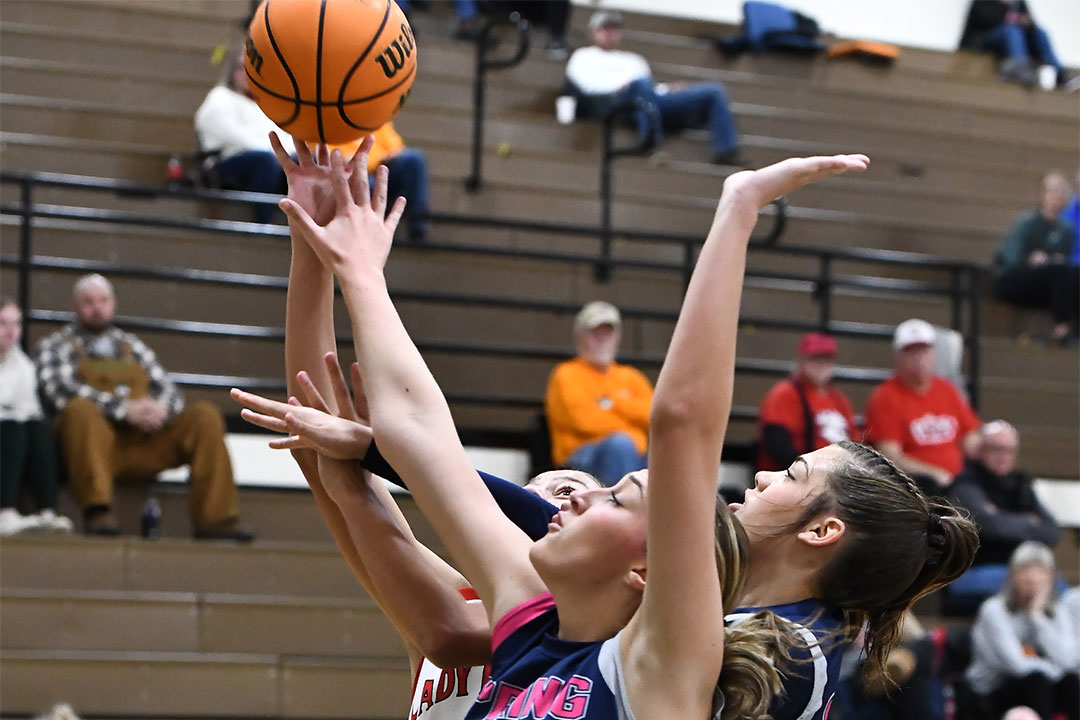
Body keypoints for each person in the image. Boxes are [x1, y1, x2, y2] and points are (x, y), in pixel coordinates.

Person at [279, 145, 979, 719]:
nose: (570, 500)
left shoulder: (773, 655)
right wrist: (352, 270)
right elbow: (423, 437)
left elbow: (681, 429)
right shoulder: (546, 621)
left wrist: (738, 207)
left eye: (611, 494)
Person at [233, 134, 607, 719]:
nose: (550, 503)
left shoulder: (599, 622)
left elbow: (448, 632)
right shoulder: (455, 586)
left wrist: (363, 454)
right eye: (537, 490)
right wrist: (310, 240)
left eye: (569, 491)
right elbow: (317, 437)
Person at [34, 274, 252, 540]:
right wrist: (124, 409)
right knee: (79, 410)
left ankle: (216, 519)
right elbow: (58, 391)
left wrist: (158, 410)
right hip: (96, 450)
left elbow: (170, 390)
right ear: (75, 306)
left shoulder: (132, 346)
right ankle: (98, 511)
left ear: (113, 303)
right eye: (88, 301)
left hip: (144, 442)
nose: (97, 307)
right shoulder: (55, 346)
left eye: (103, 300)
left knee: (205, 415)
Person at [565, 10, 743, 165]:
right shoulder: (583, 56)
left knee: (714, 91)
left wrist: (667, 89)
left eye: (614, 29)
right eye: (605, 28)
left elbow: (650, 89)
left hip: (645, 99)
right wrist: (621, 86)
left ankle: (726, 151)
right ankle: (652, 143)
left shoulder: (634, 59)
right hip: (613, 103)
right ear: (592, 32)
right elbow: (586, 86)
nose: (610, 33)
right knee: (639, 84)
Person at [946, 420, 1060, 612]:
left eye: (1009, 450)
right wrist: (1028, 521)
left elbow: (1051, 531)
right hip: (977, 569)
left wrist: (1002, 517)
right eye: (996, 449)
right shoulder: (966, 484)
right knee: (1029, 583)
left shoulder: (1021, 485)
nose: (1003, 456)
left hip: (1017, 568)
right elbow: (991, 526)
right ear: (980, 450)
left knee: (1057, 586)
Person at [863, 318, 981, 496]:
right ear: (898, 357)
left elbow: (971, 437)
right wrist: (935, 474)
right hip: (918, 486)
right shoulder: (885, 396)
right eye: (911, 352)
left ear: (933, 354)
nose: (919, 359)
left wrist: (992, 446)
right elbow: (891, 456)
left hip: (959, 480)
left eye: (924, 351)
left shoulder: (946, 389)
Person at [966, 541, 1079, 720]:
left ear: (1051, 577)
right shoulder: (994, 610)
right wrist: (1053, 670)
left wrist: (1037, 617)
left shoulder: (1057, 611)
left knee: (1070, 682)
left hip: (1042, 685)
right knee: (1037, 681)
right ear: (1012, 574)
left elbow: (1068, 660)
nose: (1033, 578)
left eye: (1040, 571)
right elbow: (1017, 665)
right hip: (993, 690)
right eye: (1026, 570)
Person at [544, 301, 652, 486]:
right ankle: (621, 502)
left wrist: (613, 403)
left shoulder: (632, 376)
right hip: (580, 460)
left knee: (668, 453)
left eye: (608, 334)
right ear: (579, 337)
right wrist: (632, 430)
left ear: (617, 338)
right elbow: (584, 421)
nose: (602, 340)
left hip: (632, 454)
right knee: (621, 445)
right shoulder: (566, 374)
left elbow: (653, 416)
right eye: (595, 333)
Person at [194, 50, 292, 223]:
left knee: (302, 162)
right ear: (232, 71)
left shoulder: (268, 106)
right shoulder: (220, 96)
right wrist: (276, 153)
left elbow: (286, 139)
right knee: (266, 161)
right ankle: (263, 224)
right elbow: (232, 134)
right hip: (228, 161)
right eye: (242, 67)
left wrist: (287, 156)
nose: (247, 73)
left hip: (269, 160)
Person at [0, 300, 72, 535]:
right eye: (3, 323)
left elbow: (28, 409)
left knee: (37, 429)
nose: (10, 331)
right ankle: (4, 511)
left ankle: (46, 511)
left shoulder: (22, 366)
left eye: (16, 324)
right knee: (11, 428)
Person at [992, 171, 1079, 345]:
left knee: (1070, 274)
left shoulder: (1066, 230)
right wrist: (1031, 260)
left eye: (1061, 192)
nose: (1056, 197)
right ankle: (1062, 330)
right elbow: (1010, 258)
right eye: (1052, 191)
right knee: (1061, 271)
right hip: (1014, 279)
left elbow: (1063, 260)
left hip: (1047, 283)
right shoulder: (1028, 222)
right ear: (1043, 194)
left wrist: (1049, 261)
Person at [756, 331, 857, 471]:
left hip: (836, 474)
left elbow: (854, 443)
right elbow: (777, 446)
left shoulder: (840, 400)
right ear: (801, 360)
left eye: (826, 359)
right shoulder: (784, 394)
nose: (821, 364)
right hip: (799, 475)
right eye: (815, 359)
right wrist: (810, 471)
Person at [958, 1, 1073, 89]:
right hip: (985, 40)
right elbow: (985, 18)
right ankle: (1020, 66)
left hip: (1015, 41)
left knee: (1040, 33)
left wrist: (1027, 23)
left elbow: (1029, 21)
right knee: (1012, 30)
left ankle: (1060, 75)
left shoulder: (1018, 3)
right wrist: (1012, 17)